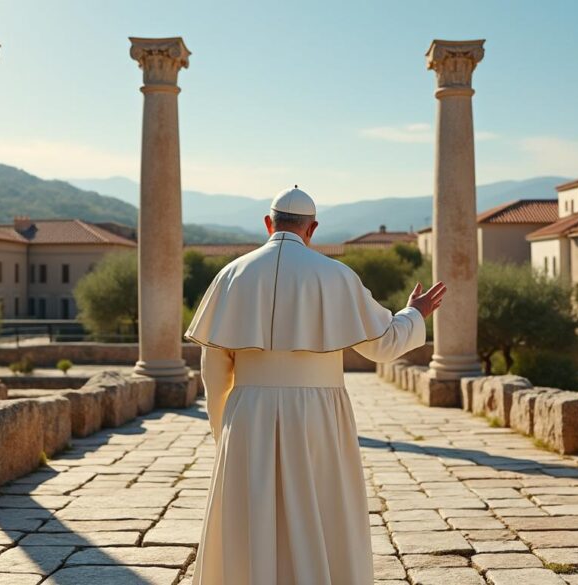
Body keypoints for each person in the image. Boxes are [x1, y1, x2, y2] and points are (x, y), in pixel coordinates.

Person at [184, 186, 446, 584]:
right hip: (320, 417)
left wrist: (226, 429)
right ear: (313, 229)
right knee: (322, 510)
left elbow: (215, 371)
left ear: (268, 223)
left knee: (249, 516)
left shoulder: (231, 275)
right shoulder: (337, 275)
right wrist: (415, 313)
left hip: (248, 413)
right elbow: (384, 345)